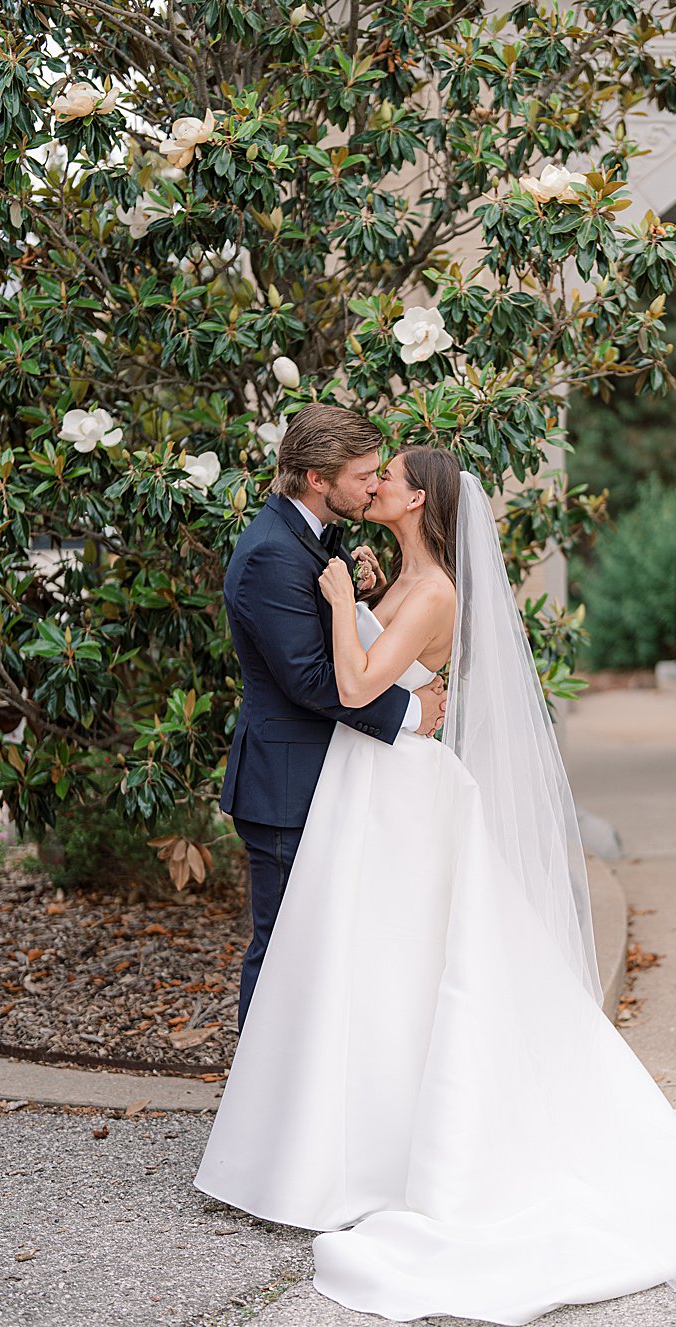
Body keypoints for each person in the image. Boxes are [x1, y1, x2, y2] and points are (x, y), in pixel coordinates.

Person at [196, 446, 676, 1327]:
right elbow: (384, 669)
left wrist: (338, 610)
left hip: (398, 793)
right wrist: (357, 601)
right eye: (375, 472)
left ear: (421, 499)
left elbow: (360, 682)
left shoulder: (432, 589)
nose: (381, 485)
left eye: (394, 476)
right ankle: (361, 1143)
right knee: (383, 969)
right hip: (374, 789)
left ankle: (395, 1151)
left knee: (409, 967)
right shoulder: (397, 575)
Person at [218, 403, 448, 1029]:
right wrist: (411, 709)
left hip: (334, 779)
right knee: (282, 951)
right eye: (364, 473)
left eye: (380, 473)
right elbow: (309, 680)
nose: (375, 484)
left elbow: (323, 638)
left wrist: (363, 601)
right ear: (319, 479)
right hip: (287, 785)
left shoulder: (315, 537)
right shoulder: (272, 553)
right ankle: (259, 1113)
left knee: (329, 952)